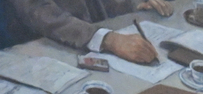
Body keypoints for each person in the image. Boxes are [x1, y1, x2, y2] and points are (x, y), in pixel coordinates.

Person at [8, 0, 171, 63]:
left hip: (85, 48)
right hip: (36, 56)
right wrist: (108, 40)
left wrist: (134, 4)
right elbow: (42, 15)